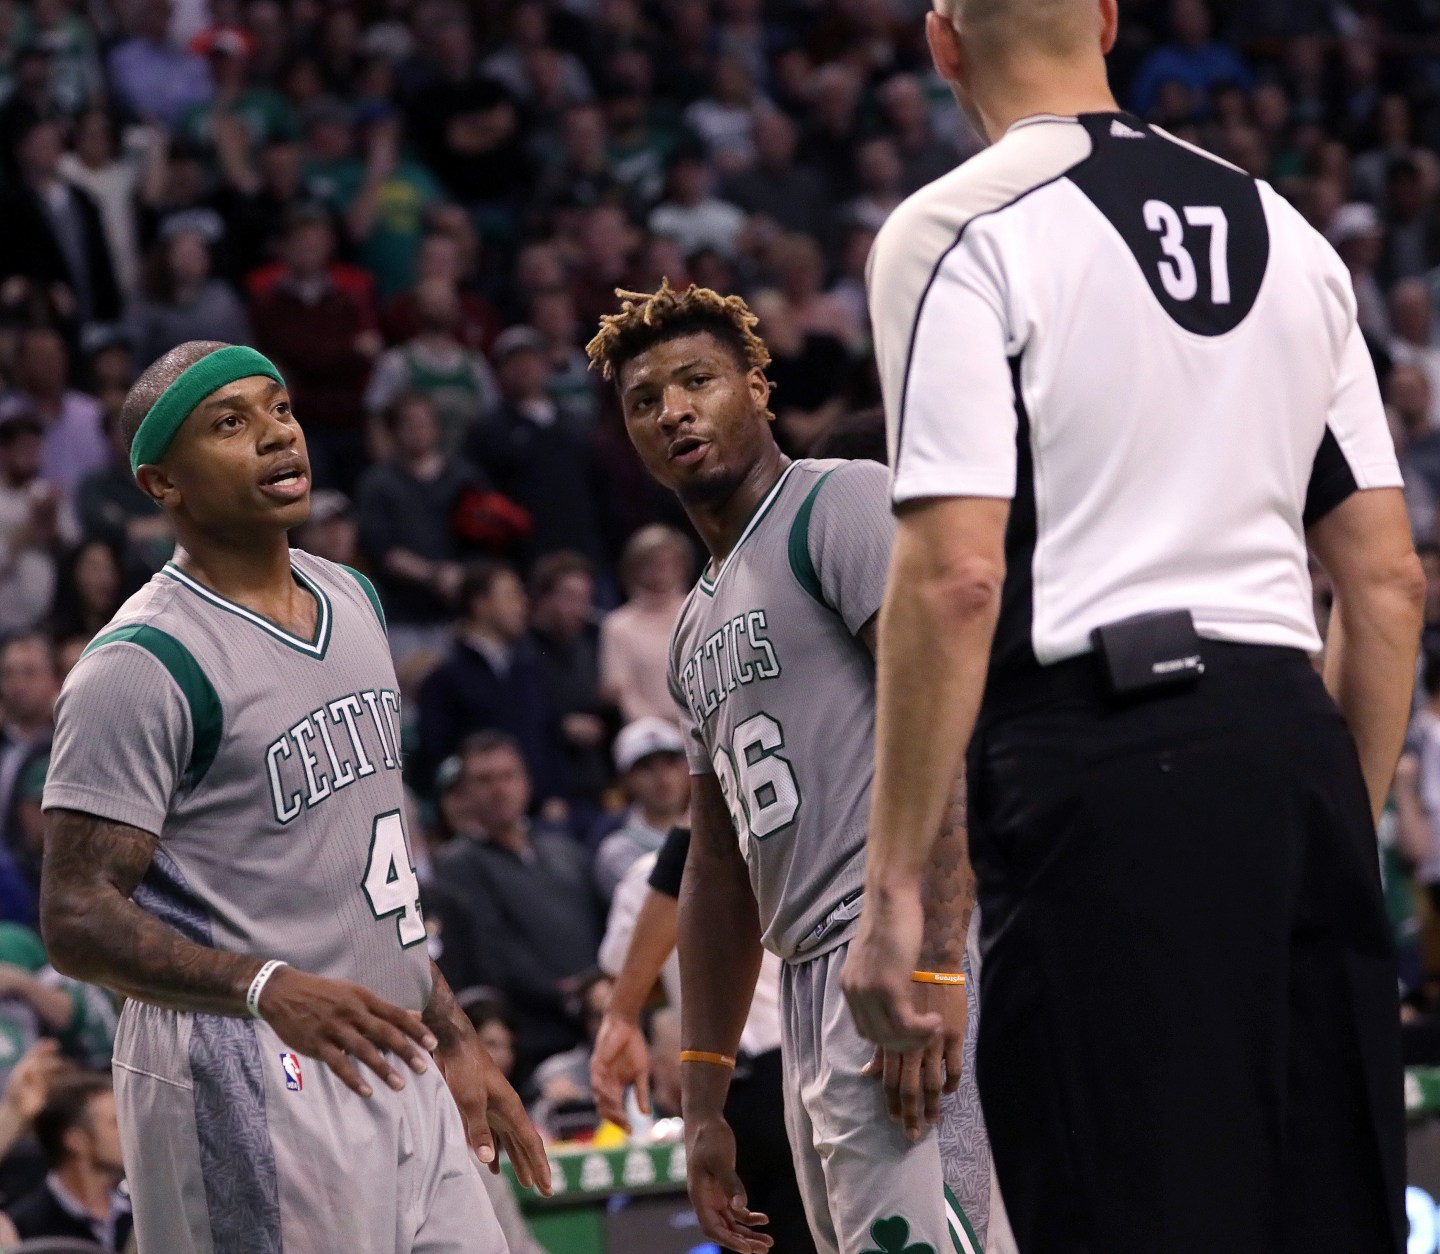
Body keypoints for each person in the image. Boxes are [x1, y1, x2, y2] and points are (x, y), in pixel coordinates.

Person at [844, 2, 1423, 1252]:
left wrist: (897, 890)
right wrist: (1324, 820)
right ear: (1107, 18)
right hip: (1297, 752)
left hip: (1102, 769)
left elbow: (953, 574)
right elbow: (1384, 589)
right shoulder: (1290, 230)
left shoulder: (954, 226)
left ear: (944, 44)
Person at [37, 339, 550, 1253]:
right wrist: (264, 986)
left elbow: (358, 876)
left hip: (395, 1044)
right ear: (163, 484)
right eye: (230, 424)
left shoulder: (353, 598)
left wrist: (456, 1035)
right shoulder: (142, 666)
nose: (277, 436)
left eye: (279, 408)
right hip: (246, 1065)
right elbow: (75, 916)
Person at [586, 282, 1010, 1254]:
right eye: (645, 400)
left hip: (901, 943)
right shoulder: (693, 623)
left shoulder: (843, 502)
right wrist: (702, 1099)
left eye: (698, 380)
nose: (674, 411)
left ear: (759, 386)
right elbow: (716, 869)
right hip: (813, 982)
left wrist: (938, 953)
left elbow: (950, 730)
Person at [591, 825, 814, 1253]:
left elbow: (618, 977)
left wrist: (640, 1025)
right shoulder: (783, 845)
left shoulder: (645, 875)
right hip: (785, 1062)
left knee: (746, 1237)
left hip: (722, 1076)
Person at [425, 732, 604, 1084]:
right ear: (465, 793)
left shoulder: (565, 852)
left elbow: (601, 923)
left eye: (508, 776)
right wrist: (568, 992)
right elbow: (491, 950)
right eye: (484, 780)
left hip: (597, 1022)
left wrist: (600, 985)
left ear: (527, 781)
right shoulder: (458, 864)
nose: (499, 789)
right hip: (529, 1042)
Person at [416, 560, 562, 798]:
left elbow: (550, 740)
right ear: (481, 604)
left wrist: (557, 797)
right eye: (512, 596)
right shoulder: (446, 678)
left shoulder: (531, 671)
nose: (523, 605)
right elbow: (437, 754)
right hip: (477, 813)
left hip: (540, 810)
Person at [4, 1074, 131, 1249]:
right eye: (116, 1123)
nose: (130, 1134)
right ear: (76, 1141)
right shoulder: (21, 1228)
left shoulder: (140, 1210)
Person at [599, 524, 693, 724]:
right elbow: (623, 693)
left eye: (670, 562)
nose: (663, 570)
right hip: (652, 736)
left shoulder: (697, 609)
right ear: (634, 567)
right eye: (654, 563)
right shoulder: (618, 625)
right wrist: (662, 732)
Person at [593, 717, 691, 899]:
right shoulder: (618, 851)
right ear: (624, 780)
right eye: (646, 768)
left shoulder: (715, 823)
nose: (663, 778)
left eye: (670, 763)